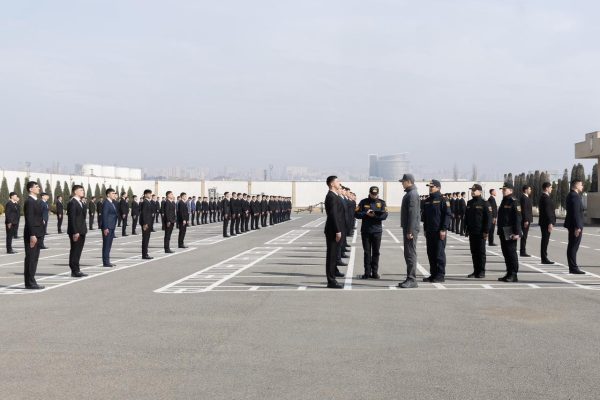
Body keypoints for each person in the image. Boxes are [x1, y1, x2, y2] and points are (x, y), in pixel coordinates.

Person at [355, 186, 388, 279]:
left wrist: (374, 216)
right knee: (367, 252)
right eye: (372, 194)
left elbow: (385, 216)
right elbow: (356, 214)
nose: (374, 196)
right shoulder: (363, 202)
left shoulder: (382, 202)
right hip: (366, 231)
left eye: (375, 194)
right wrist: (365, 213)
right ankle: (367, 273)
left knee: (376, 252)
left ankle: (374, 272)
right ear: (369, 193)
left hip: (377, 231)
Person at [422, 180, 451, 283]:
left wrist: (443, 229)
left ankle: (440, 275)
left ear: (438, 188)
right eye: (429, 187)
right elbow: (425, 217)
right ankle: (433, 274)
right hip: (430, 231)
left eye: (432, 186)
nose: (430, 188)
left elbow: (447, 215)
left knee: (439, 254)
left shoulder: (443, 200)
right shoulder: (427, 200)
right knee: (431, 253)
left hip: (439, 231)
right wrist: (425, 229)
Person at [497, 182, 522, 282]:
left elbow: (517, 218)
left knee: (511, 253)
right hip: (503, 230)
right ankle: (508, 272)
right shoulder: (504, 201)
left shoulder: (514, 201)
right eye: (502, 190)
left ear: (511, 190)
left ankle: (514, 274)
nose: (503, 191)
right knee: (505, 253)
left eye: (505, 189)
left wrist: (517, 233)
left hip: (510, 231)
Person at [465, 184, 491, 278]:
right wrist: (466, 229)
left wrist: (486, 231)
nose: (472, 192)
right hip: (472, 231)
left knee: (481, 252)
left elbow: (488, 218)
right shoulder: (469, 203)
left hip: (481, 232)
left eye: (474, 190)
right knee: (474, 252)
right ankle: (475, 271)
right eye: (472, 190)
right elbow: (467, 217)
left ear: (480, 191)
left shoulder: (485, 203)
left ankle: (481, 271)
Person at [399, 174, 420, 288]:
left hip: (410, 229)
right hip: (409, 228)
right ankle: (409, 277)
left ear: (409, 181)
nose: (402, 183)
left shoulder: (412, 194)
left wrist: (410, 230)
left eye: (403, 181)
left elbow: (413, 214)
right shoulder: (410, 193)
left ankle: (412, 279)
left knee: (410, 253)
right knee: (408, 253)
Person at [324, 176, 345, 289]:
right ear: (332, 184)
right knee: (331, 257)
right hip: (333, 230)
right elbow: (333, 215)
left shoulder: (335, 196)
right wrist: (337, 230)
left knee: (333, 256)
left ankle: (333, 277)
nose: (339, 182)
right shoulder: (331, 196)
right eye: (337, 181)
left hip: (335, 229)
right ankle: (331, 281)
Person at [23, 181, 44, 289]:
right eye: (36, 187)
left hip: (38, 233)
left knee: (34, 258)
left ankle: (31, 280)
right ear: (30, 189)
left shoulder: (37, 201)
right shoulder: (29, 202)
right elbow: (29, 219)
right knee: (31, 258)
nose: (39, 188)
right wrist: (32, 234)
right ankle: (29, 282)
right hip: (33, 234)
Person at [564, 179, 585, 274]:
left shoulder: (571, 195)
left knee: (572, 246)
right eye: (581, 185)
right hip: (575, 226)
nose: (582, 187)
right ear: (576, 185)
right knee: (573, 246)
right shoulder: (575, 196)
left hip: (573, 225)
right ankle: (573, 268)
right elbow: (576, 213)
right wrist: (577, 227)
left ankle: (572, 267)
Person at [67, 185, 88, 278]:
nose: (83, 191)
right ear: (75, 192)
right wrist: (75, 232)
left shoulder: (81, 202)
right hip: (76, 231)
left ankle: (77, 269)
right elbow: (72, 218)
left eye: (83, 190)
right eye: (81, 190)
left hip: (82, 230)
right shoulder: (72, 202)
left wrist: (84, 204)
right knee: (75, 250)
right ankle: (74, 270)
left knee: (78, 251)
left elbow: (83, 216)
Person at [538, 182, 556, 265]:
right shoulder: (545, 198)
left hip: (544, 222)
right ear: (546, 188)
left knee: (545, 240)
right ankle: (544, 258)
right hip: (546, 223)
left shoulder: (544, 197)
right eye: (550, 187)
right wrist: (550, 223)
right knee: (545, 240)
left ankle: (544, 257)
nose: (551, 189)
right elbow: (548, 212)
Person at [100, 188, 118, 267]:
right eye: (112, 193)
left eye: (114, 193)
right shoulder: (106, 203)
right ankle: (106, 262)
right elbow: (104, 216)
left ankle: (107, 261)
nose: (114, 195)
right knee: (106, 244)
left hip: (111, 226)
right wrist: (105, 228)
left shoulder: (112, 203)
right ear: (108, 194)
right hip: (107, 227)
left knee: (109, 244)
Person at [519, 185, 533, 257]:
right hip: (525, 220)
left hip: (527, 219)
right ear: (525, 190)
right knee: (524, 236)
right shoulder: (524, 198)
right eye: (529, 189)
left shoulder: (526, 197)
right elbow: (524, 210)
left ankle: (523, 251)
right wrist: (526, 220)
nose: (530, 190)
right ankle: (522, 251)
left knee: (524, 236)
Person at [140, 189, 154, 260]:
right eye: (149, 194)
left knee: (146, 239)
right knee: (145, 239)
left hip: (148, 223)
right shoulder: (145, 202)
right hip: (146, 224)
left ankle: (145, 253)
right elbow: (144, 213)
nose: (150, 195)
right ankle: (144, 255)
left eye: (150, 194)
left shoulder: (148, 202)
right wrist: (145, 223)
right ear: (145, 195)